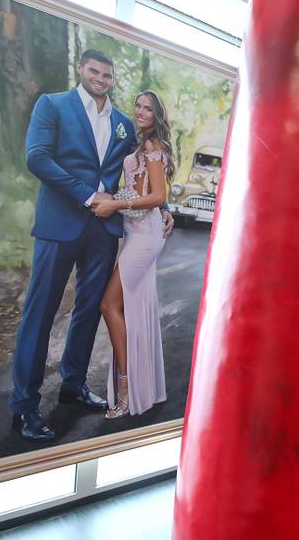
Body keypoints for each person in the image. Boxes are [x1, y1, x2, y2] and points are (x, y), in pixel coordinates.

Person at [11, 49, 139, 441]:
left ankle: (74, 385)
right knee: (41, 312)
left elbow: (134, 174)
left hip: (103, 231)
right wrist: (87, 195)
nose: (100, 78)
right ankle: (24, 408)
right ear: (80, 70)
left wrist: (159, 205)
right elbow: (37, 158)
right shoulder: (52, 105)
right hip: (60, 224)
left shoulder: (122, 123)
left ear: (113, 79)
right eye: (94, 71)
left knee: (88, 310)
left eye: (107, 74)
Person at [92, 90, 176, 418]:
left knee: (108, 304)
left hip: (146, 237)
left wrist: (115, 204)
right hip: (135, 232)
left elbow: (156, 196)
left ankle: (126, 390)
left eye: (148, 109)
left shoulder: (153, 147)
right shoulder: (142, 144)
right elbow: (143, 189)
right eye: (139, 106)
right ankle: (144, 388)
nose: (141, 112)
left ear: (157, 116)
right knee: (132, 308)